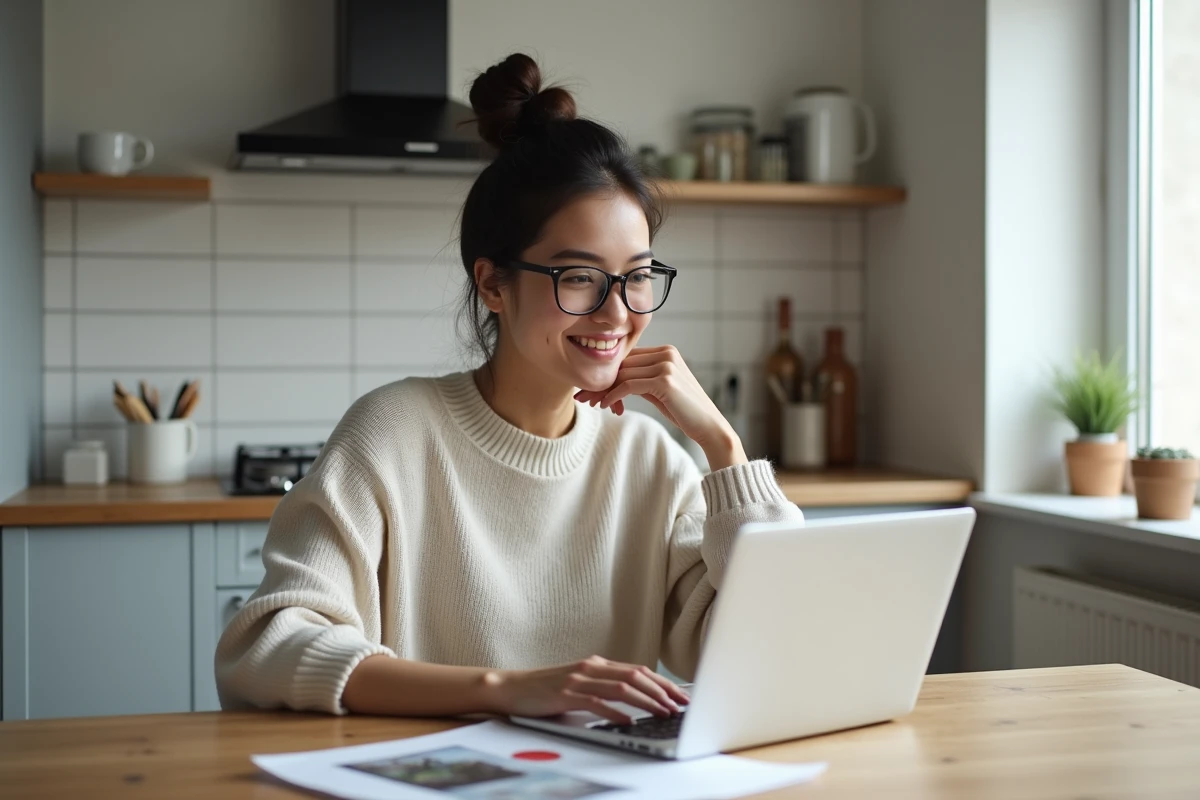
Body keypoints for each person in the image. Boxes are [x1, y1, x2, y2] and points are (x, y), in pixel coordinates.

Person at [215, 53, 804, 725]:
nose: (618, 313)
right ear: (493, 284)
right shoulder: (392, 434)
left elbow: (776, 648)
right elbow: (267, 648)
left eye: (637, 275)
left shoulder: (653, 462)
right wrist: (504, 689)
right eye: (579, 277)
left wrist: (724, 447)